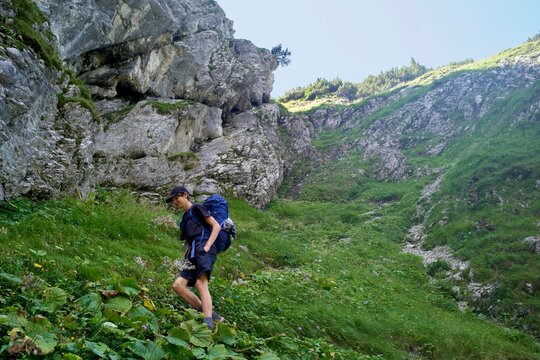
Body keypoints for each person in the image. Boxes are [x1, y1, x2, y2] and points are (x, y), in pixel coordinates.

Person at [166, 185, 224, 329]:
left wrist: (207, 246)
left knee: (200, 284)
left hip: (204, 250)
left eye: (176, 198)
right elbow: (189, 240)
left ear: (185, 195)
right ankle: (211, 314)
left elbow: (216, 226)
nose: (175, 202)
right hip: (192, 254)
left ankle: (208, 324)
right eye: (173, 200)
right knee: (178, 286)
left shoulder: (197, 208)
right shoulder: (184, 219)